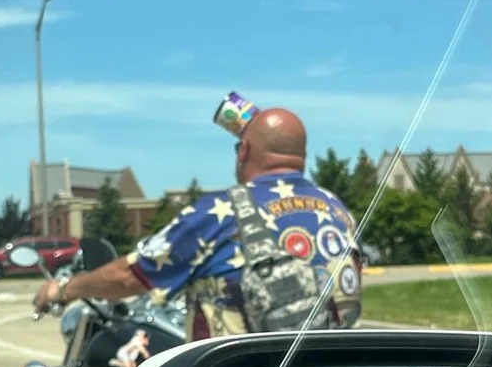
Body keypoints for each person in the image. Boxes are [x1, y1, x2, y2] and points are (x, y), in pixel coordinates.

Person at [33, 95, 362, 337]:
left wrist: (63, 289)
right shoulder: (337, 210)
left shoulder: (219, 213)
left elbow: (130, 277)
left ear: (244, 151)